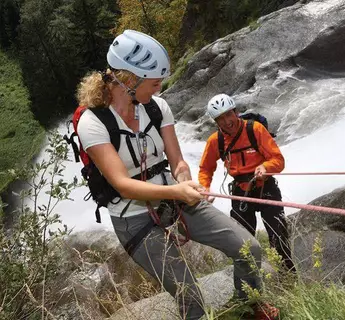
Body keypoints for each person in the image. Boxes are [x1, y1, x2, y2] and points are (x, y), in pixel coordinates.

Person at [75, 30, 268, 320]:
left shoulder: (156, 107)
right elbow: (122, 184)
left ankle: (249, 307)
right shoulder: (92, 123)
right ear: (129, 80)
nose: (159, 89)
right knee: (189, 295)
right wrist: (177, 192)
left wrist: (184, 180)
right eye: (153, 83)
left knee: (248, 249)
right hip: (132, 217)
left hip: (174, 198)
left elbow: (176, 160)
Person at [198, 93, 296, 273]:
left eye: (229, 114)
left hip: (266, 188)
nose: (227, 121)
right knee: (242, 243)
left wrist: (266, 167)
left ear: (236, 112)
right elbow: (205, 168)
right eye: (221, 119)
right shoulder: (216, 141)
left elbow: (278, 160)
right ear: (216, 122)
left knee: (278, 236)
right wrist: (205, 188)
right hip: (240, 192)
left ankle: (288, 279)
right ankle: (250, 284)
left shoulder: (255, 129)